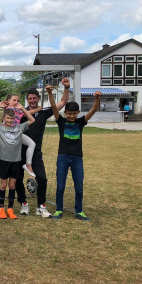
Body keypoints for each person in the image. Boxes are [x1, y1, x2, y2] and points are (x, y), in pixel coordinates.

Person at [15, 79, 70, 218]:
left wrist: (66, 87)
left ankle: (41, 206)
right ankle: (23, 203)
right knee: (17, 178)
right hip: (18, 151)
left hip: (36, 152)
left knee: (42, 178)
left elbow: (63, 102)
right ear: (27, 100)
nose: (32, 100)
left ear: (39, 98)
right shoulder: (20, 113)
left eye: (34, 98)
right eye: (30, 98)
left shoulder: (44, 112)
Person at [48, 86, 102, 221]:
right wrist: (49, 93)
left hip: (77, 158)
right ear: (65, 113)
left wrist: (97, 98)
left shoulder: (80, 122)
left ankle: (79, 211)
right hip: (63, 157)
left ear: (78, 112)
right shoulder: (61, 121)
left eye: (74, 113)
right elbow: (54, 106)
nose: (72, 116)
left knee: (79, 186)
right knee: (60, 186)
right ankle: (59, 210)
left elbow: (94, 109)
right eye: (69, 113)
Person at [0, 100, 35, 219]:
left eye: (11, 118)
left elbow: (32, 120)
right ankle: (1, 208)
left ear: (14, 119)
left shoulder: (19, 128)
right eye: (7, 118)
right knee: (3, 185)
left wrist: (22, 108)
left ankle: (10, 209)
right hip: (4, 161)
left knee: (12, 185)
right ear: (3, 118)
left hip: (16, 161)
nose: (9, 120)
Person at [4, 93, 41, 177]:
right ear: (8, 101)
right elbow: (29, 112)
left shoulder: (17, 110)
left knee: (32, 144)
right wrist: (38, 109)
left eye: (18, 101)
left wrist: (22, 109)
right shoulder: (10, 109)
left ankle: (28, 164)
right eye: (14, 100)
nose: (16, 102)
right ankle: (25, 165)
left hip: (16, 133)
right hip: (8, 134)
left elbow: (27, 114)